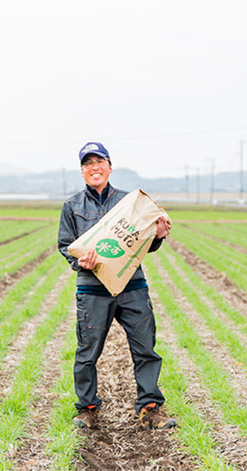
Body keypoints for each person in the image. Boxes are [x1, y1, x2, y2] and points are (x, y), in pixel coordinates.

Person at [57, 141, 176, 430]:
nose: (94, 168)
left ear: (110, 167)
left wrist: (157, 235)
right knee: (87, 352)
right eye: (88, 164)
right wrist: (79, 262)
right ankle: (87, 409)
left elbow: (144, 244)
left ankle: (150, 408)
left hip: (132, 286)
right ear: (82, 171)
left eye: (99, 162)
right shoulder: (72, 206)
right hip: (92, 288)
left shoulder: (130, 203)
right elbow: (64, 245)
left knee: (145, 347)